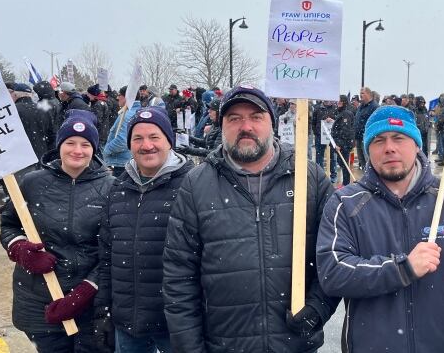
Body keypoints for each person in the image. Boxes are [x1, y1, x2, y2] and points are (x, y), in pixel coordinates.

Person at [316, 105, 444, 352]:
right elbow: (332, 273)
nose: (389, 147)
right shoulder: (345, 204)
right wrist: (402, 269)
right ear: (367, 149)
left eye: (399, 138)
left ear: (416, 144)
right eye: (378, 140)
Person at [162, 85, 340, 353]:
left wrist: (318, 308)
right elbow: (179, 277)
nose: (246, 126)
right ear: (221, 126)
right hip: (225, 345)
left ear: (271, 122)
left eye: (256, 117)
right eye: (234, 118)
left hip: (295, 344)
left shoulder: (308, 177)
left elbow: (334, 256)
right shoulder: (196, 185)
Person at [0, 111, 115, 352]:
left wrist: (87, 290)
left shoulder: (112, 187)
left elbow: (116, 246)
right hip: (40, 299)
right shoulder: (31, 182)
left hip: (91, 304)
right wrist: (20, 249)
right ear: (59, 145)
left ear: (94, 149)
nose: (77, 150)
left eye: (85, 144)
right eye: (70, 143)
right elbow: (10, 224)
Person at [96, 107, 194, 353]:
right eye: (137, 138)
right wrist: (104, 311)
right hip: (129, 324)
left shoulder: (193, 185)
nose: (146, 145)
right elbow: (107, 257)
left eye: (154, 137)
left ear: (169, 142)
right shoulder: (117, 189)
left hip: (175, 326)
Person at [11, 83, 54, 176]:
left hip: (20, 158)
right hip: (41, 154)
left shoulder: (12, 110)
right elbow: (51, 134)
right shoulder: (43, 109)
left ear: (15, 95)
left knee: (20, 188)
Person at [103, 86, 141, 177]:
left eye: (119, 95)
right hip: (128, 159)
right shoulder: (134, 111)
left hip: (122, 161)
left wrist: (107, 150)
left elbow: (122, 141)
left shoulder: (128, 115)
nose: (117, 97)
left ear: (127, 96)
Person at [331, 95, 355, 187]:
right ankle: (345, 182)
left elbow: (346, 130)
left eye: (340, 102)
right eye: (338, 101)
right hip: (341, 142)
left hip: (344, 143)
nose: (338, 103)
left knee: (344, 163)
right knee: (341, 162)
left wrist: (339, 144)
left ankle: (346, 183)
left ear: (344, 102)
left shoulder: (346, 114)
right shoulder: (340, 112)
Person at [353, 87, 378, 170]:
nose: (360, 95)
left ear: (368, 94)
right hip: (359, 137)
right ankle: (365, 178)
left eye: (362, 93)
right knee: (361, 160)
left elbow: (375, 123)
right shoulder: (361, 106)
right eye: (360, 93)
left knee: (368, 160)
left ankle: (371, 179)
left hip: (367, 137)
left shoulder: (374, 106)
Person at [313, 100, 338, 183]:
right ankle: (320, 176)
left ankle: (333, 175)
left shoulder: (335, 109)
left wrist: (332, 120)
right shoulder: (317, 109)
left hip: (331, 137)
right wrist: (317, 133)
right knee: (319, 157)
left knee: (333, 157)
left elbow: (338, 121)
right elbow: (313, 122)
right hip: (320, 137)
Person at [87, 84, 112, 149]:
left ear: (93, 94)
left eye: (89, 94)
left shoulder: (98, 104)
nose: (87, 95)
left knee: (99, 154)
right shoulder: (102, 102)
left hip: (100, 134)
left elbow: (97, 121)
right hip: (103, 133)